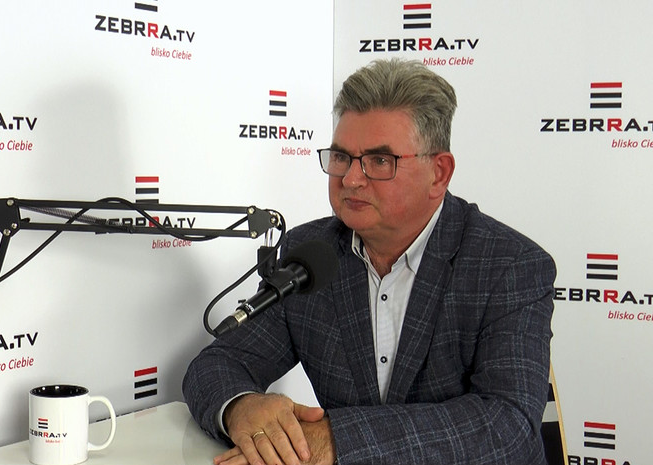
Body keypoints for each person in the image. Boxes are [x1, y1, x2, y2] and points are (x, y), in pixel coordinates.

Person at [182, 58, 556, 465]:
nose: (351, 179)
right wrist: (242, 406)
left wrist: (336, 440)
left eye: (379, 161)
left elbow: (508, 426)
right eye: (341, 157)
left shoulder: (510, 265)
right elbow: (220, 362)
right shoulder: (309, 251)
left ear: (439, 173)